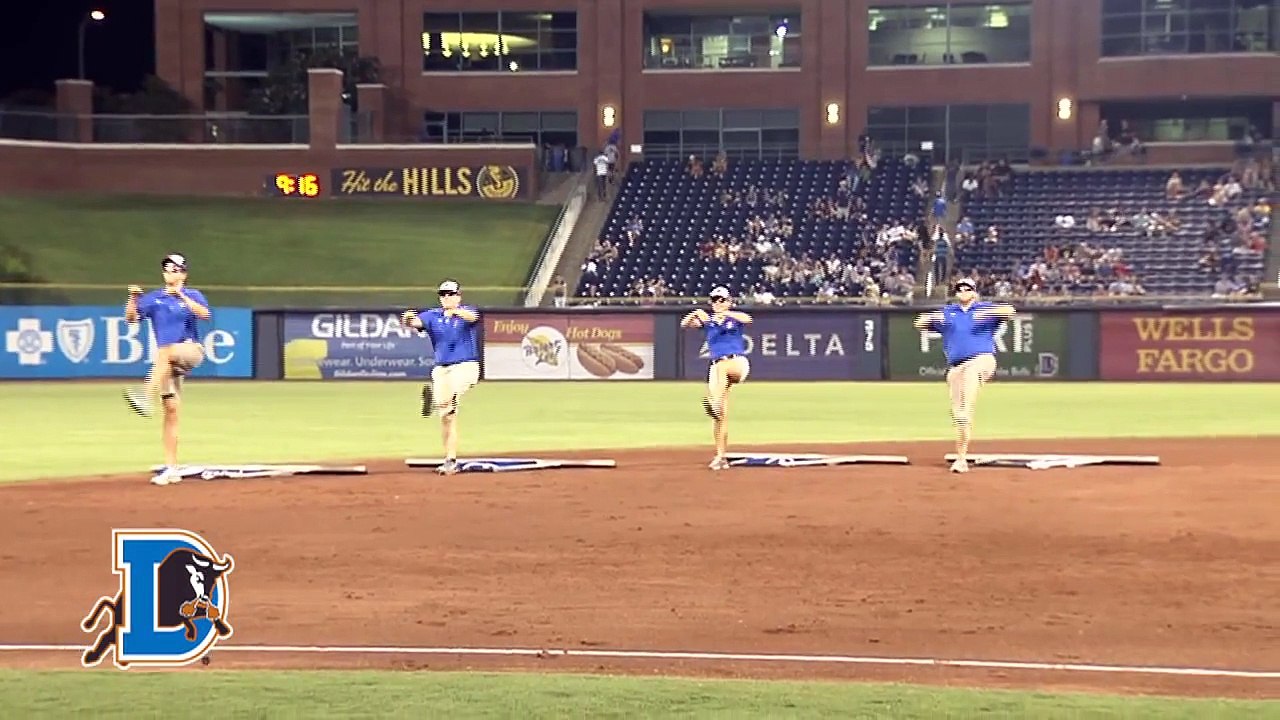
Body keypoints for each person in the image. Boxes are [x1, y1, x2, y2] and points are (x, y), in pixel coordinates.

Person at [123, 253, 212, 486]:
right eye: (166, 268)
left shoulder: (192, 294)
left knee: (166, 351)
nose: (170, 272)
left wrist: (181, 295)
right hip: (166, 363)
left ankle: (144, 397)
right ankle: (172, 468)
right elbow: (132, 319)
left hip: (190, 350)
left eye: (175, 269)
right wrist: (133, 299)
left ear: (184, 273)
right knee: (171, 410)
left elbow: (205, 315)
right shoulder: (154, 299)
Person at [913, 278, 1016, 473]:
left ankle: (962, 454)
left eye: (967, 288)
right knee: (959, 413)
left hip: (981, 359)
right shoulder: (949, 312)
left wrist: (986, 312)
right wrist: (934, 318)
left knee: (967, 400)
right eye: (959, 289)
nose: (962, 291)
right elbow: (919, 323)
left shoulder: (984, 308)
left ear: (975, 292)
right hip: (956, 366)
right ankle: (961, 457)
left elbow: (1010, 311)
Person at [401, 280, 482, 476]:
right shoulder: (432, 315)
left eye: (450, 294)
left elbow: (473, 317)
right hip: (441, 369)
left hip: (466, 365)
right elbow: (414, 322)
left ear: (458, 296)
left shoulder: (466, 312)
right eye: (443, 294)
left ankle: (442, 401)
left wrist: (456, 311)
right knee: (447, 416)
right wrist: (407, 318)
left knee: (449, 399)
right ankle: (450, 460)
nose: (446, 297)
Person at [681, 286, 752, 470]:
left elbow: (748, 318)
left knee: (721, 369)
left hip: (736, 363)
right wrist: (695, 313)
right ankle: (720, 456)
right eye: (715, 300)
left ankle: (715, 402)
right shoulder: (709, 322)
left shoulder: (733, 318)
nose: (718, 303)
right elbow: (684, 324)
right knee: (720, 418)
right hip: (717, 366)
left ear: (729, 302)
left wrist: (727, 314)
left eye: (722, 300)